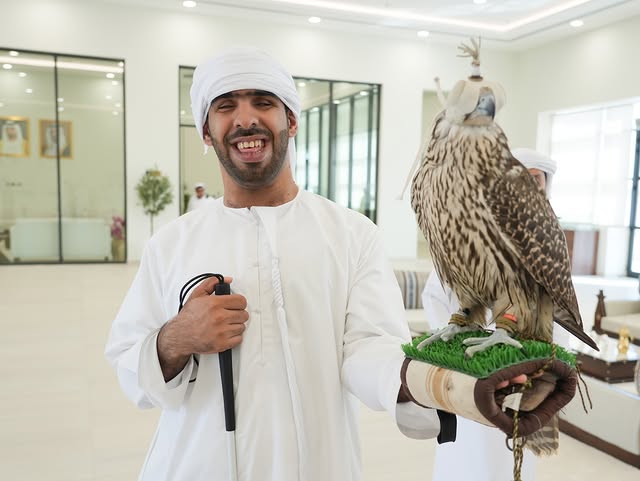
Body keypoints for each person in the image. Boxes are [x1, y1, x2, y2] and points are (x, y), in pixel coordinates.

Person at [105, 46, 449, 481]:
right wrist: (178, 337)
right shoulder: (171, 244)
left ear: (291, 120)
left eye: (263, 102)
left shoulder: (351, 235)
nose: (245, 118)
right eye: (226, 106)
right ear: (207, 132)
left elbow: (370, 348)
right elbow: (129, 369)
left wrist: (428, 382)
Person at [422, 147, 568, 481]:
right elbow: (435, 296)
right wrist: (464, 347)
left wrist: (550, 362)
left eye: (535, 181)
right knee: (465, 456)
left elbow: (559, 315)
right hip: (470, 372)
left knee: (513, 456)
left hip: (525, 371)